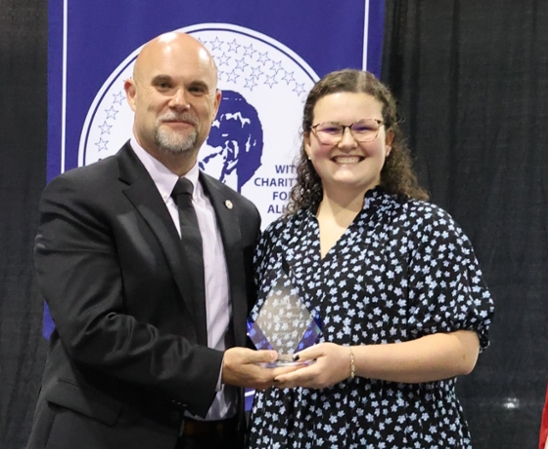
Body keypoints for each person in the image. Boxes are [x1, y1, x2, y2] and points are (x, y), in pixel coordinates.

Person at [27, 32, 286, 449]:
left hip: (222, 436)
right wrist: (216, 369)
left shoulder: (240, 212)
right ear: (132, 94)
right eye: (164, 84)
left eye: (196, 88)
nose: (180, 100)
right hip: (107, 436)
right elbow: (93, 330)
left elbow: (260, 317)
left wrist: (319, 356)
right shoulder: (80, 196)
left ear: (215, 105)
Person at [248, 69, 495, 448]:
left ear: (389, 140)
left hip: (398, 436)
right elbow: (282, 350)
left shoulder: (425, 228)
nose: (347, 142)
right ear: (309, 142)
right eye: (331, 129)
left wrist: (350, 360)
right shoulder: (281, 239)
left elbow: (462, 351)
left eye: (363, 128)